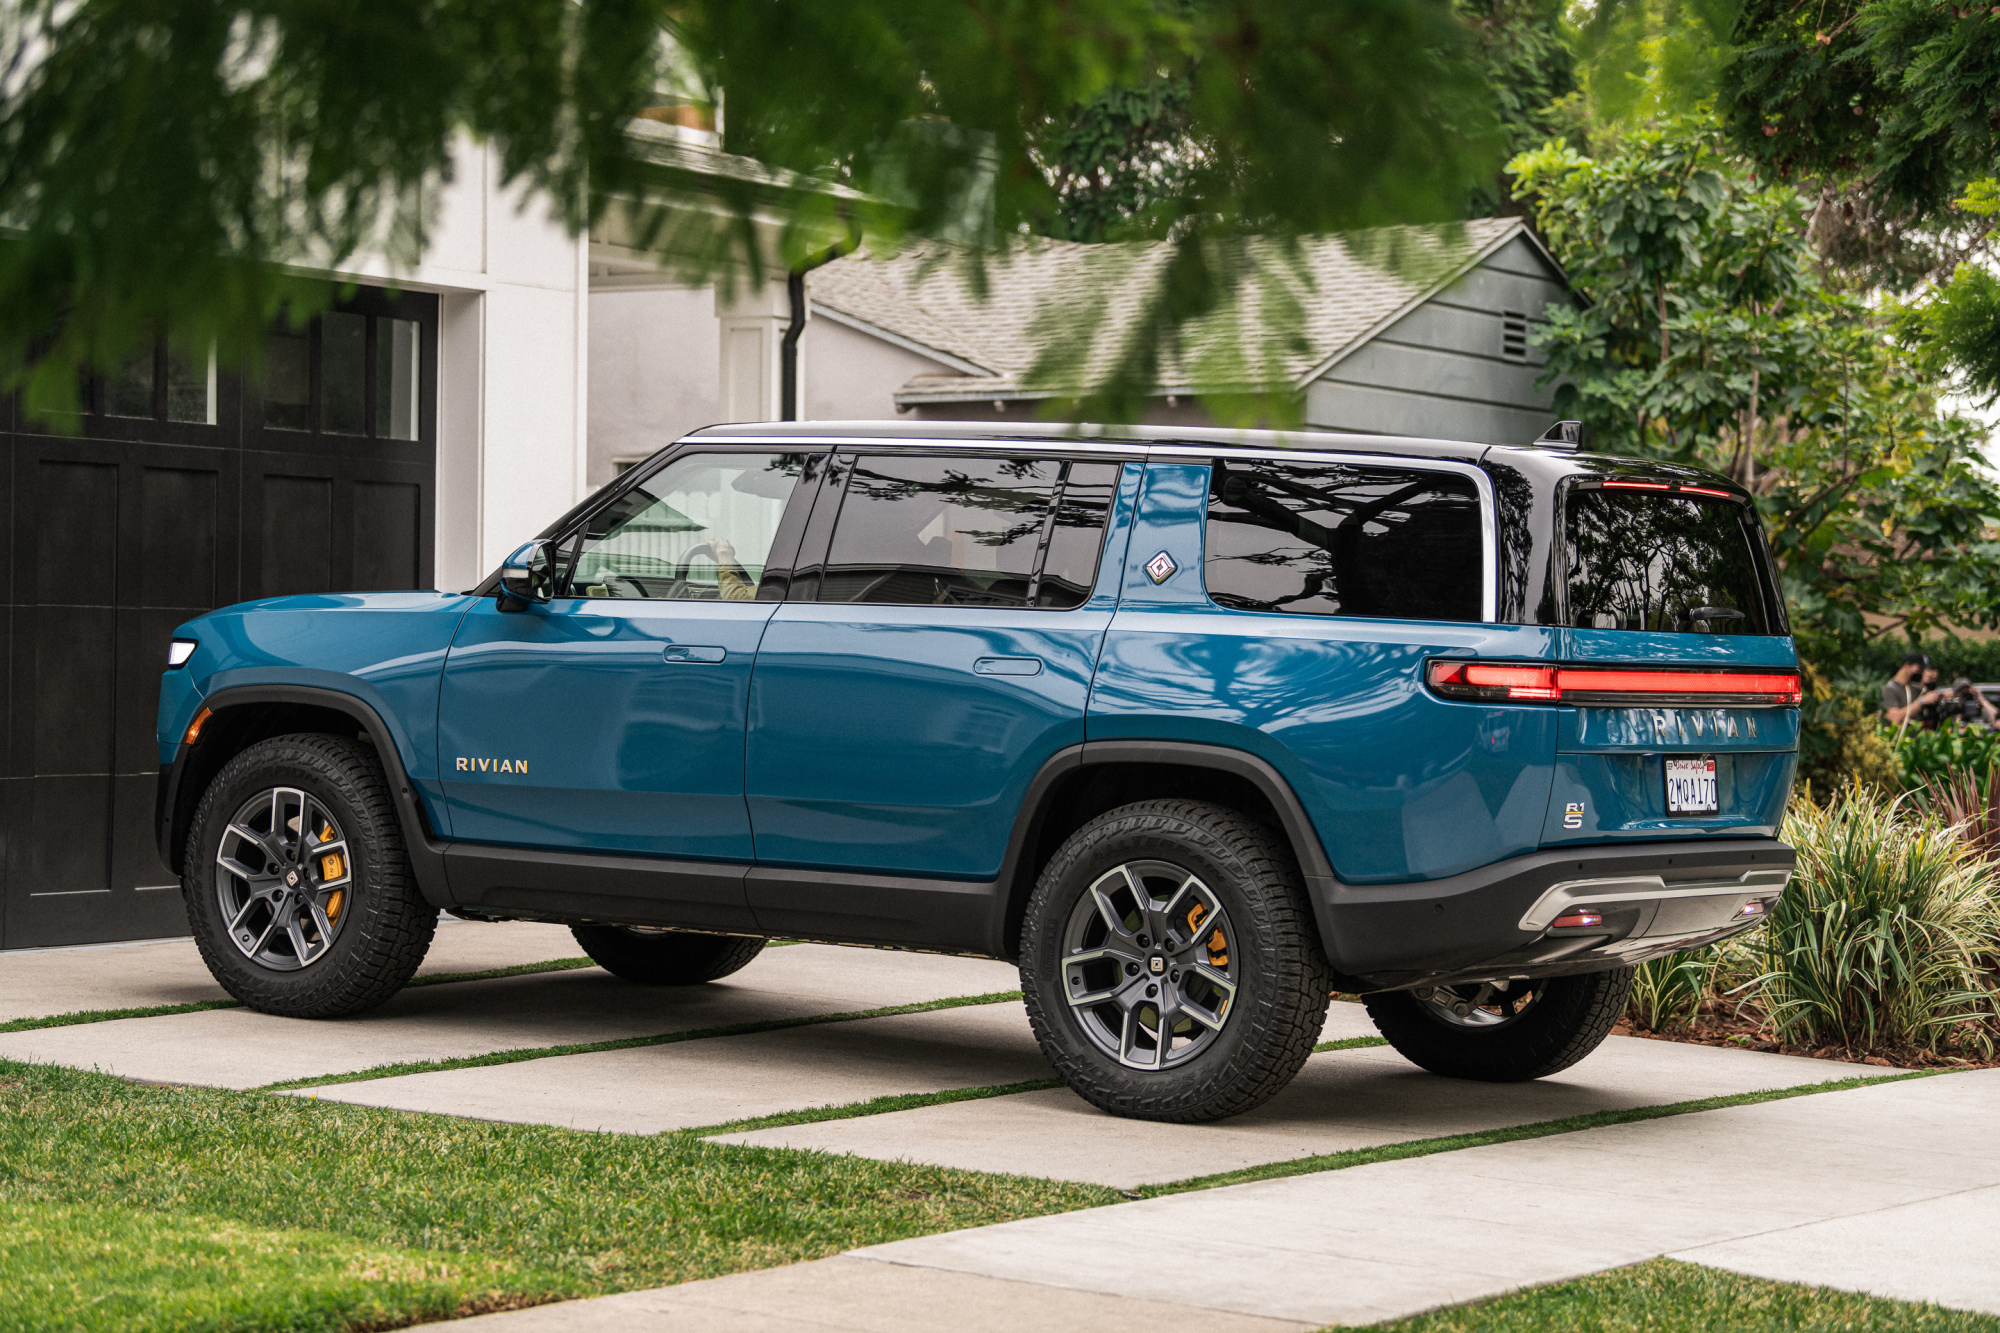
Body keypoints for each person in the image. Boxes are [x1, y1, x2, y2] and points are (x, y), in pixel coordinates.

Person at [1882, 653, 1944, 727]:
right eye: (1919, 669)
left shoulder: (1915, 688)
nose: (1920, 673)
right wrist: (1921, 702)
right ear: (1906, 666)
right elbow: (1895, 717)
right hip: (1898, 737)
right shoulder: (1889, 689)